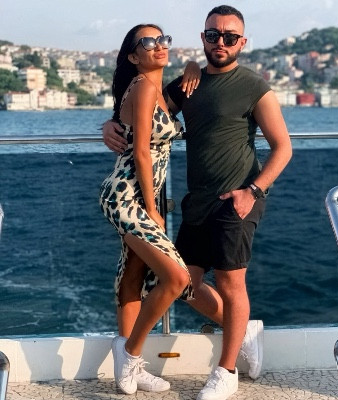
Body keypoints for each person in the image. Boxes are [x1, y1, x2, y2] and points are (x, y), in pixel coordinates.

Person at [103, 6, 292, 400]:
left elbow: (282, 148)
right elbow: (144, 108)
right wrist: (109, 124)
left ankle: (226, 372)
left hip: (237, 198)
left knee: (230, 283)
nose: (220, 42)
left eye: (229, 36)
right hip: (197, 202)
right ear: (203, 37)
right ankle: (245, 332)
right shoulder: (187, 84)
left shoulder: (254, 86)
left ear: (242, 42)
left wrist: (253, 191)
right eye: (212, 35)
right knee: (184, 285)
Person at [99, 23, 200, 395]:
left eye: (163, 39)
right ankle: (130, 355)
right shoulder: (142, 87)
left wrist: (192, 65)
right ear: (133, 55)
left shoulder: (158, 91)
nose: (159, 45)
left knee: (134, 272)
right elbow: (141, 151)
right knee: (176, 277)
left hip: (139, 196)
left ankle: (129, 363)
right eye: (148, 41)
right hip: (127, 196)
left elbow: (187, 83)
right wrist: (153, 209)